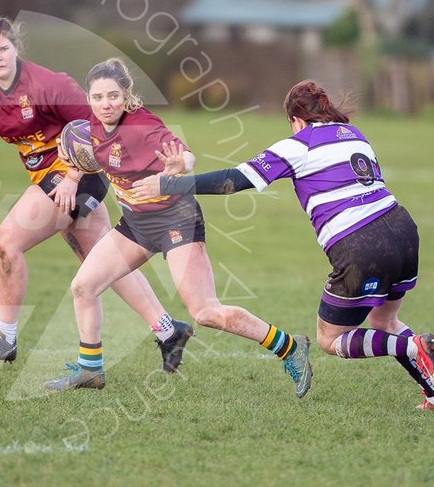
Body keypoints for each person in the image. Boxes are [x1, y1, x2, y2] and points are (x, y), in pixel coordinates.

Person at [133, 79, 434, 412]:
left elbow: (234, 180)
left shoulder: (298, 144)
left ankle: (414, 348)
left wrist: (170, 183)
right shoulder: (355, 134)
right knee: (385, 322)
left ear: (295, 120)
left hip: (361, 244)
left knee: (330, 339)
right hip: (403, 230)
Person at [0, 18, 193, 388]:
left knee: (6, 243)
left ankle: (4, 337)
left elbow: (102, 128)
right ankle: (168, 330)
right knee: (105, 263)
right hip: (55, 178)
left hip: (77, 176)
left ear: (16, 49)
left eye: (4, 49)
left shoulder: (48, 85)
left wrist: (75, 175)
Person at [48, 58, 312, 396]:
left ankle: (290, 347)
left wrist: (178, 164)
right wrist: (71, 177)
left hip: (176, 221)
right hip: (135, 225)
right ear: (89, 98)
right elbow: (83, 155)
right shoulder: (90, 127)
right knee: (83, 287)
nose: (105, 104)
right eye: (98, 97)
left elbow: (184, 157)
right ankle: (89, 371)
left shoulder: (143, 126)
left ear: (127, 95)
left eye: (113, 96)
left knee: (206, 312)